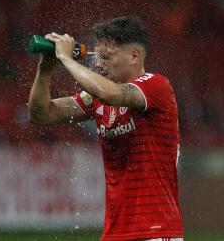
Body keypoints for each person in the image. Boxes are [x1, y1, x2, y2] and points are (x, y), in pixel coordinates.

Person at [28, 17, 184, 241]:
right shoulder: (96, 98)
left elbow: (110, 94)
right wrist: (45, 68)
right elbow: (41, 114)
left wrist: (65, 57)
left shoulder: (156, 85)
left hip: (155, 231)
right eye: (98, 56)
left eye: (106, 57)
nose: (99, 63)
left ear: (134, 56)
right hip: (115, 233)